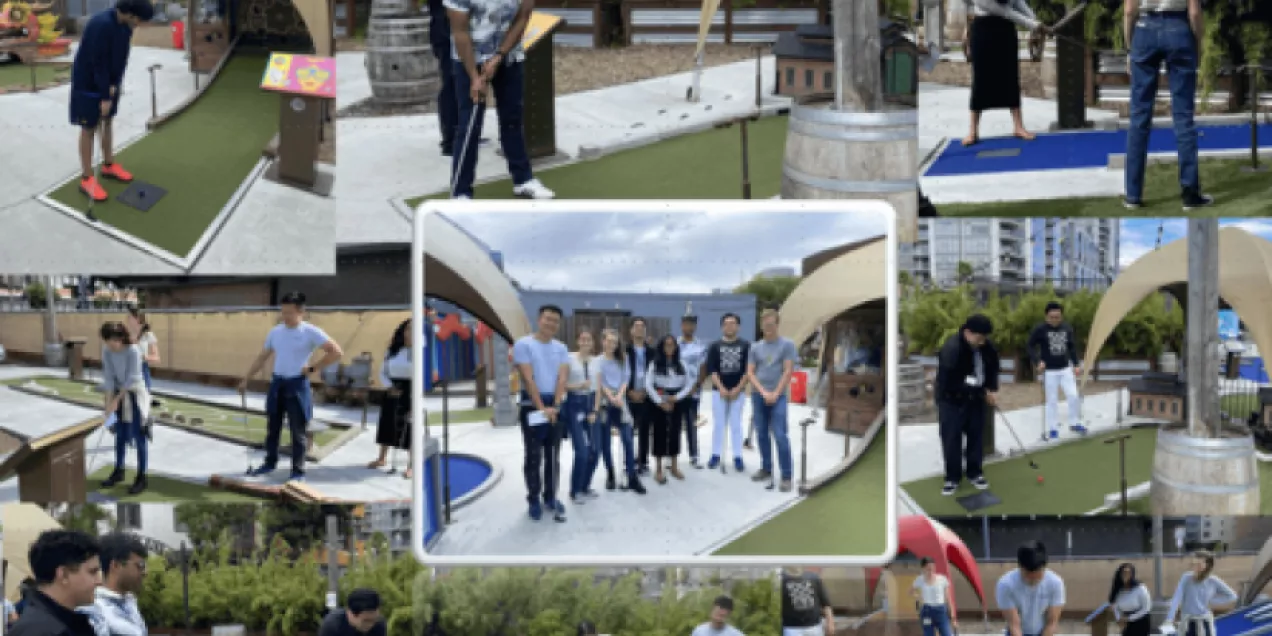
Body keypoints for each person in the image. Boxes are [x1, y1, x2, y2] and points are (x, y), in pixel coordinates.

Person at [443, 0, 554, 200]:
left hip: (509, 54)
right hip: (469, 56)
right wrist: (474, 77)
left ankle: (523, 180)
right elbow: (460, 32)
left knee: (512, 118)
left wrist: (499, 56)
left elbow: (523, 17)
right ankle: (460, 192)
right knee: (470, 124)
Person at [239, 291, 343, 483]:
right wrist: (246, 378)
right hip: (277, 383)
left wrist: (312, 368)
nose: (285, 316)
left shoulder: (310, 331)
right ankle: (270, 462)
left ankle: (298, 471)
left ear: (301, 312)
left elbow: (336, 352)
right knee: (273, 427)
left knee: (298, 431)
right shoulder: (276, 332)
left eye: (289, 312)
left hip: (297, 384)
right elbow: (262, 357)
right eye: (283, 311)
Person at [1122, 0, 1212, 210]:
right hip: (1179, 28)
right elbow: (1194, 13)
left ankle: (1133, 194)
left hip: (1144, 29)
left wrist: (1129, 48)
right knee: (1183, 117)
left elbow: (1129, 10)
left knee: (1139, 116)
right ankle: (1190, 193)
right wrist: (1198, 44)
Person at [70, 0, 154, 203]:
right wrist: (104, 96)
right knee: (88, 128)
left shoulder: (126, 26)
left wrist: (115, 84)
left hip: (109, 82)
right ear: (130, 14)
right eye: (140, 20)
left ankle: (108, 165)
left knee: (107, 121)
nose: (140, 24)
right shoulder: (100, 24)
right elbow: (97, 62)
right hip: (88, 84)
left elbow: (121, 58)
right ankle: (87, 178)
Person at [512, 305, 571, 521]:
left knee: (553, 455)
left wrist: (555, 406)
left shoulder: (561, 348)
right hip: (532, 403)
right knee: (533, 455)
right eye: (547, 319)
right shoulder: (523, 344)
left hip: (554, 403)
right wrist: (541, 408)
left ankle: (551, 497)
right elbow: (528, 379)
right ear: (539, 320)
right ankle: (534, 499)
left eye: (555, 320)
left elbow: (562, 378)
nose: (551, 324)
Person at [963, 0, 1048, 147]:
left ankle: (1018, 126)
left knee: (1011, 77)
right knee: (981, 79)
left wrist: (1036, 23)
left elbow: (1018, 2)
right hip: (983, 30)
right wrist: (1033, 25)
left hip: (1006, 31)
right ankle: (973, 131)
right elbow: (1005, 12)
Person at [935, 314, 1000, 496]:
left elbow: (993, 367)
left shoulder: (986, 346)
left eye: (984, 338)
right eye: (979, 338)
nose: (982, 342)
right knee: (951, 439)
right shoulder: (951, 349)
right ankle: (952, 478)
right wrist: (980, 391)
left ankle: (975, 473)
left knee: (976, 436)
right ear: (968, 333)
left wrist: (992, 389)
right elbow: (950, 382)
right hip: (951, 400)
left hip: (975, 399)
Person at [8, 530, 102, 636]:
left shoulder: (65, 624)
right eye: (92, 572)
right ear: (64, 575)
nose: (99, 581)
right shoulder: (38, 630)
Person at [746, 309, 799, 492]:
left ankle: (786, 475)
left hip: (779, 396)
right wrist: (762, 392)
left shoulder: (787, 345)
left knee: (780, 434)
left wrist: (775, 393)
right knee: (761, 434)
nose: (768, 328)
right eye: (765, 324)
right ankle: (766, 468)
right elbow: (750, 372)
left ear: (777, 324)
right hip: (758, 395)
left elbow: (788, 371)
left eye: (771, 324)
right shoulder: (755, 347)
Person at [99, 321, 150, 495]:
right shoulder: (106, 351)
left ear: (121, 338)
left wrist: (116, 400)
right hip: (117, 392)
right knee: (119, 433)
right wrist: (108, 404)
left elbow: (131, 378)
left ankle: (142, 477)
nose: (111, 345)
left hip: (135, 393)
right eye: (108, 341)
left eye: (114, 341)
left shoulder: (133, 351)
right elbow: (108, 377)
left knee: (139, 435)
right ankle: (119, 470)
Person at [596, 328, 645, 494]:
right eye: (609, 341)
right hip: (605, 401)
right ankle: (610, 473)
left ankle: (632, 476)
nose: (612, 344)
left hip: (620, 400)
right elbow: (600, 382)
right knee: (605, 443)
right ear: (603, 341)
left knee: (628, 440)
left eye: (615, 342)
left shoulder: (623, 359)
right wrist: (611, 397)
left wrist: (619, 396)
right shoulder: (598, 361)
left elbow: (626, 379)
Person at [1027, 302, 1086, 440]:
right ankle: (1053, 428)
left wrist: (1076, 364)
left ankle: (1074, 423)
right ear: (1046, 317)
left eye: (1057, 317)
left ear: (1061, 316)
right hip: (1049, 371)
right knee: (1052, 400)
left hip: (1065, 368)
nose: (1055, 320)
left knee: (1073, 395)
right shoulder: (1040, 329)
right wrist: (1037, 361)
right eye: (1052, 317)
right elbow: (1030, 345)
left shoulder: (1067, 328)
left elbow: (1071, 347)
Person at [646, 334, 695, 485]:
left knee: (675, 432)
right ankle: (659, 469)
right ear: (661, 347)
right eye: (666, 345)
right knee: (659, 433)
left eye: (672, 345)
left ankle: (674, 466)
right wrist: (660, 401)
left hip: (676, 400)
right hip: (659, 399)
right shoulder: (655, 364)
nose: (669, 348)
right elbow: (648, 384)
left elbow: (689, 384)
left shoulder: (681, 363)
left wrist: (677, 397)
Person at [369, 319, 413, 478]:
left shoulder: (420, 351)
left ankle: (411, 465)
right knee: (387, 423)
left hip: (410, 390)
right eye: (408, 329)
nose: (411, 332)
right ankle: (382, 458)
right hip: (392, 389)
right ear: (403, 331)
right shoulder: (392, 350)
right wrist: (389, 386)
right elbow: (382, 372)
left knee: (409, 427)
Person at [706, 313, 750, 472]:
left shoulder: (746, 345)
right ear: (722, 327)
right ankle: (715, 454)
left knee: (736, 424)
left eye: (733, 323)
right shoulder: (714, 346)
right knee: (719, 424)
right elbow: (712, 370)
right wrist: (721, 388)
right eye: (726, 323)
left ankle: (738, 456)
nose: (729, 326)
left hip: (738, 392)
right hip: (719, 392)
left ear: (738, 326)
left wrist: (738, 388)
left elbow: (748, 370)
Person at [83, 533, 149, 636]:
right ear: (116, 565)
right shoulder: (94, 612)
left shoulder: (129, 602)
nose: (145, 572)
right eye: (140, 565)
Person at [996, 541, 1065, 636]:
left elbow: (1052, 623)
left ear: (1044, 567)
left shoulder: (1055, 583)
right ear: (1020, 567)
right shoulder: (1006, 584)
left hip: (1043, 631)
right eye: (1028, 576)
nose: (1033, 580)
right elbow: (1014, 625)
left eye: (1038, 576)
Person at [564, 330, 602, 503]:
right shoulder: (569, 359)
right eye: (583, 339)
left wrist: (595, 410)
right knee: (582, 451)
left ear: (593, 342)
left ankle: (585, 486)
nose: (586, 342)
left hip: (591, 404)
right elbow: (562, 384)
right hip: (575, 405)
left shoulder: (596, 362)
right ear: (578, 341)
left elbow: (598, 389)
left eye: (589, 339)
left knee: (595, 450)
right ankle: (575, 490)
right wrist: (579, 385)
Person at [1164, 551, 1239, 636]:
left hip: (1204, 623)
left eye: (1200, 563)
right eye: (1195, 563)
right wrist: (1169, 619)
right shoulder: (1186, 578)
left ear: (1207, 565)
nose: (1196, 565)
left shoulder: (1213, 580)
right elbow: (1177, 598)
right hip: (1187, 623)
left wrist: (1212, 602)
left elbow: (1232, 596)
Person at [625, 318, 657, 475]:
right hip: (628, 395)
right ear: (631, 330)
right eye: (636, 326)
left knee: (644, 430)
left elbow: (656, 374)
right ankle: (628, 462)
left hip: (646, 396)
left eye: (642, 326)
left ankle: (643, 462)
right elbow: (620, 373)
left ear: (645, 330)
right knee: (628, 431)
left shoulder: (652, 352)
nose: (639, 328)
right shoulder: (624, 351)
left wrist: (645, 391)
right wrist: (629, 391)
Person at [678, 314, 708, 469]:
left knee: (691, 423)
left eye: (692, 324)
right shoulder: (675, 344)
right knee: (674, 424)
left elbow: (703, 368)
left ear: (695, 327)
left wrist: (696, 386)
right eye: (686, 324)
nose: (689, 327)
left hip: (693, 391)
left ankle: (694, 456)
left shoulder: (701, 346)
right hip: (677, 391)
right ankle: (672, 456)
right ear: (681, 326)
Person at [124, 308, 158, 440]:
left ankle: (146, 426)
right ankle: (129, 434)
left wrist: (144, 357)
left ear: (137, 318)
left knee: (143, 404)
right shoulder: (127, 335)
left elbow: (156, 357)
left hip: (142, 370)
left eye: (129, 317)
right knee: (129, 406)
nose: (127, 319)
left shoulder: (148, 335)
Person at [781, 567, 834, 636]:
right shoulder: (781, 580)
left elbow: (825, 602)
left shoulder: (814, 577)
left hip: (815, 627)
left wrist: (830, 623)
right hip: (792, 628)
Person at [911, 557, 957, 636]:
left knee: (947, 634)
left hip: (940, 611)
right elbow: (910, 591)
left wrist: (953, 616)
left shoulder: (942, 579)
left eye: (933, 568)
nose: (931, 570)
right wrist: (918, 597)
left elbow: (948, 598)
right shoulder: (919, 579)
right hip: (927, 612)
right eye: (928, 568)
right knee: (928, 634)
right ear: (923, 568)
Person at [318, 589, 387, 636]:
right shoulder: (333, 626)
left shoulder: (379, 624)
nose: (371, 625)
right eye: (366, 621)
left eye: (374, 620)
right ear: (350, 614)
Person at [1109, 563, 1153, 636]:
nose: (1126, 575)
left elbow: (1146, 608)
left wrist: (1129, 618)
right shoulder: (1119, 590)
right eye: (1124, 573)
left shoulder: (1140, 588)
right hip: (1125, 623)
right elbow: (1115, 606)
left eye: (1128, 573)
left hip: (1140, 622)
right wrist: (1119, 618)